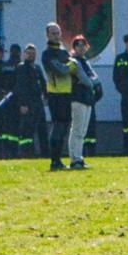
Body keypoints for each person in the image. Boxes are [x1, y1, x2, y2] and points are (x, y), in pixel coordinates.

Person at [39, 21, 80, 172]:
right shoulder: (47, 54)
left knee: (64, 126)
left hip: (67, 93)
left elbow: (71, 71)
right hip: (55, 94)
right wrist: (72, 65)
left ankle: (59, 160)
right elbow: (61, 70)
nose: (57, 36)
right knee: (58, 125)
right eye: (53, 33)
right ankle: (54, 160)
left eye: (58, 33)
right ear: (48, 35)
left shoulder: (63, 51)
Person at [67, 35, 101, 168]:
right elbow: (87, 80)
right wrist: (88, 81)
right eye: (78, 45)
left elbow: (94, 79)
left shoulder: (85, 62)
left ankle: (79, 158)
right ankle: (74, 159)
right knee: (76, 130)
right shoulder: (73, 61)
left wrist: (88, 81)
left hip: (87, 99)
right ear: (74, 47)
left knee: (83, 131)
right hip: (78, 98)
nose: (81, 47)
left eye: (83, 45)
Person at [12, 44, 46, 157]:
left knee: (42, 129)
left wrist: (46, 96)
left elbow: (43, 83)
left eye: (33, 53)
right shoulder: (21, 68)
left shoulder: (37, 68)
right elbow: (19, 88)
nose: (31, 56)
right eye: (29, 53)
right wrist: (22, 104)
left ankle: (45, 153)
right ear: (24, 54)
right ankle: (27, 152)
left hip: (38, 103)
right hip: (28, 103)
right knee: (27, 130)